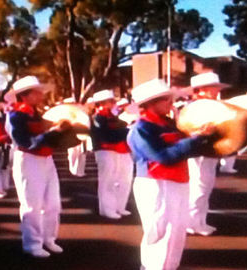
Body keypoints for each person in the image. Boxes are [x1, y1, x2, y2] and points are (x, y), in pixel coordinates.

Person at [127, 79, 215, 270]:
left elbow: (186, 150)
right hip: (156, 184)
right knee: (161, 235)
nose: (171, 103)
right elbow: (163, 157)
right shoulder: (141, 129)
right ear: (150, 103)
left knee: (176, 234)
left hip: (178, 182)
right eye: (166, 100)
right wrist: (196, 140)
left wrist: (205, 141)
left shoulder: (169, 124)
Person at [5, 76, 69, 258]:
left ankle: (49, 238)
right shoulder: (14, 116)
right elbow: (24, 141)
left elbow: (51, 139)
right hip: (29, 159)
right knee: (31, 204)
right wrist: (52, 133)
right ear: (24, 96)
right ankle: (32, 244)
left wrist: (62, 131)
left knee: (53, 203)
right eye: (36, 91)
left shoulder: (38, 114)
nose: (41, 94)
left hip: (46, 159)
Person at [184, 72, 231, 236]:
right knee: (198, 187)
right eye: (213, 88)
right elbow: (190, 130)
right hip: (198, 151)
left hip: (210, 151)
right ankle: (191, 223)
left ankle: (200, 221)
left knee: (206, 187)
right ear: (200, 90)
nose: (216, 91)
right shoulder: (193, 107)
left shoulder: (214, 105)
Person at [90, 89, 134, 219]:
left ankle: (120, 206)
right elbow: (105, 135)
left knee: (124, 179)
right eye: (110, 101)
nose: (113, 103)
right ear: (101, 103)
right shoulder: (97, 118)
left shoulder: (112, 117)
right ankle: (107, 208)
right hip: (106, 150)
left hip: (121, 150)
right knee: (108, 180)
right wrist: (125, 131)